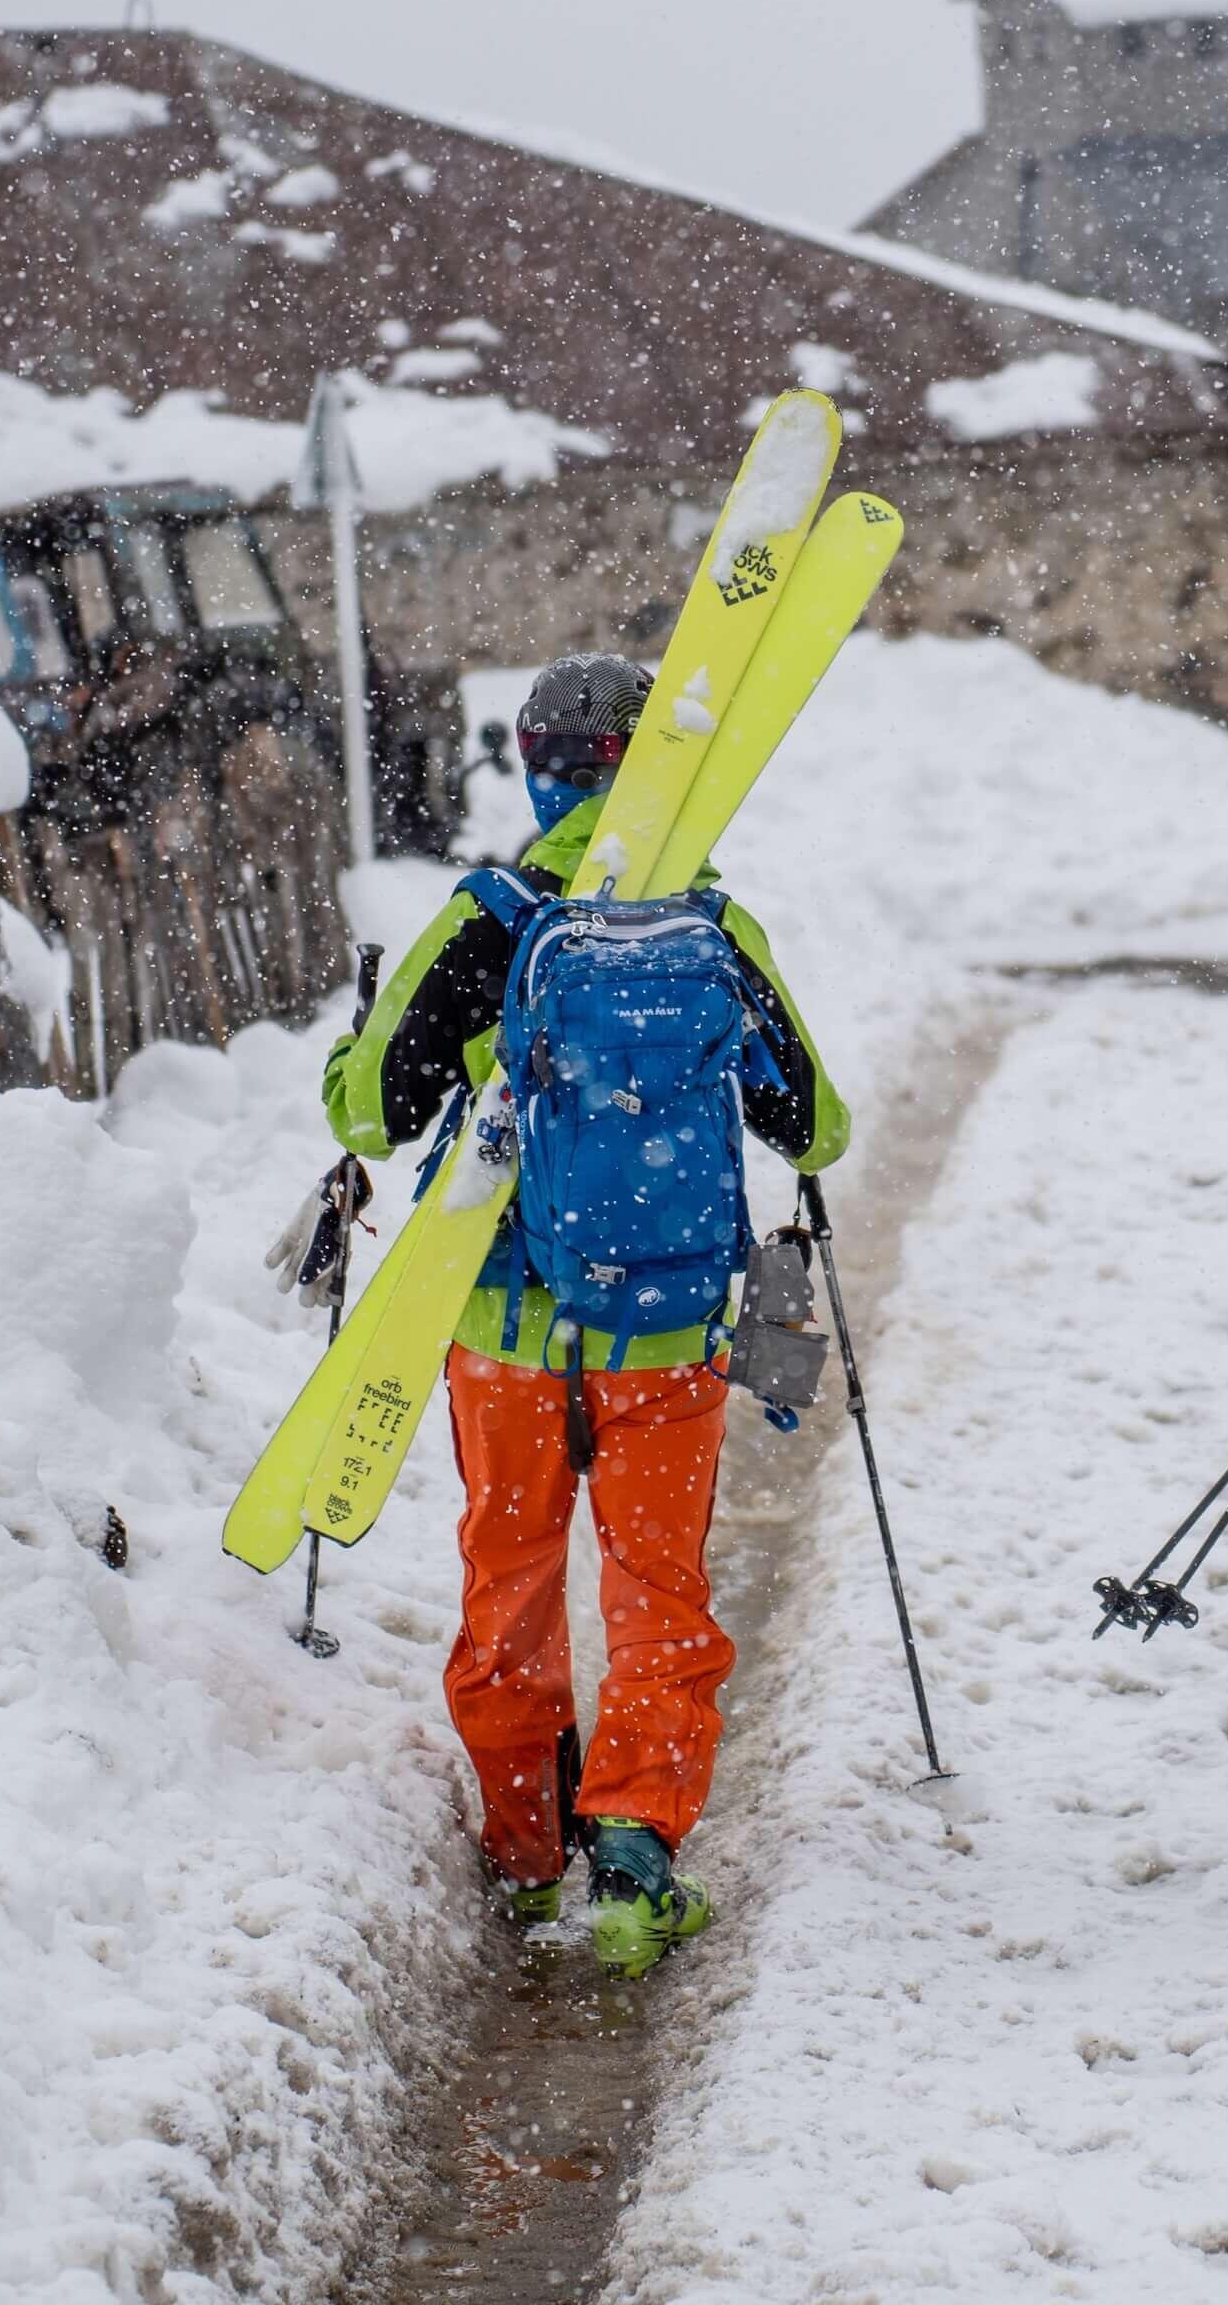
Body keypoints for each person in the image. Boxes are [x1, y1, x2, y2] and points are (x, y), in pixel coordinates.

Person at [319, 652, 849, 1975]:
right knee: (660, 1588)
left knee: (510, 1578)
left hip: (500, 1323)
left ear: (537, 764)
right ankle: (634, 1853)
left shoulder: (496, 913)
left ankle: (519, 1842)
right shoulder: (712, 927)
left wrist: (353, 1049)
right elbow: (817, 1125)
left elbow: (371, 1111)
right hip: (666, 1331)